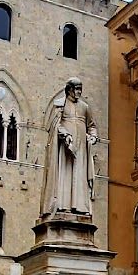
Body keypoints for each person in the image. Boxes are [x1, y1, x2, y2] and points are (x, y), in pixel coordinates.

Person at [40, 77, 97, 217]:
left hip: (81, 149)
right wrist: (64, 135)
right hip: (65, 149)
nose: (79, 92)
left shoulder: (85, 107)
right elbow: (54, 125)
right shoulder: (60, 105)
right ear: (70, 89)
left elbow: (92, 126)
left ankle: (80, 207)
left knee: (79, 176)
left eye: (80, 89)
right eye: (77, 89)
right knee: (65, 175)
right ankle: (62, 206)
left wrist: (93, 137)